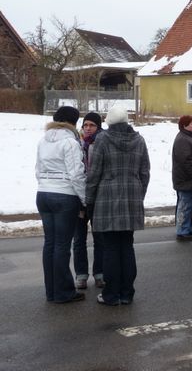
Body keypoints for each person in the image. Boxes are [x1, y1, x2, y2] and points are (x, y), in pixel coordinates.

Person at [87, 106, 150, 305]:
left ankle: (111, 294)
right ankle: (127, 293)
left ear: (109, 122)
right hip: (132, 199)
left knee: (111, 248)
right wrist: (138, 194)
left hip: (107, 200)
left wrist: (89, 200)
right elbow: (145, 173)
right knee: (127, 246)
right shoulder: (139, 140)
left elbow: (94, 173)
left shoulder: (102, 139)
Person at [36, 106, 86, 303]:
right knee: (62, 246)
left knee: (49, 243)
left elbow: (38, 169)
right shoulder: (70, 142)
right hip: (64, 195)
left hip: (43, 194)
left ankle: (51, 291)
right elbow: (76, 174)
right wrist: (84, 199)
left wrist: (45, 185)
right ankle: (64, 292)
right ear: (73, 122)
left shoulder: (43, 141)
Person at [73, 111, 105, 289]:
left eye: (92, 125)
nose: (88, 128)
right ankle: (81, 275)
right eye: (85, 125)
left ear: (98, 126)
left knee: (99, 238)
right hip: (79, 197)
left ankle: (99, 273)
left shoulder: (102, 143)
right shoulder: (77, 143)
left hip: (97, 196)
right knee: (79, 239)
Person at [172, 115, 192, 241]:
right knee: (185, 206)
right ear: (184, 125)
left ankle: (188, 228)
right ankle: (182, 231)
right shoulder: (182, 139)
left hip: (190, 179)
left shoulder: (190, 136)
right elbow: (186, 161)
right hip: (185, 180)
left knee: (189, 205)